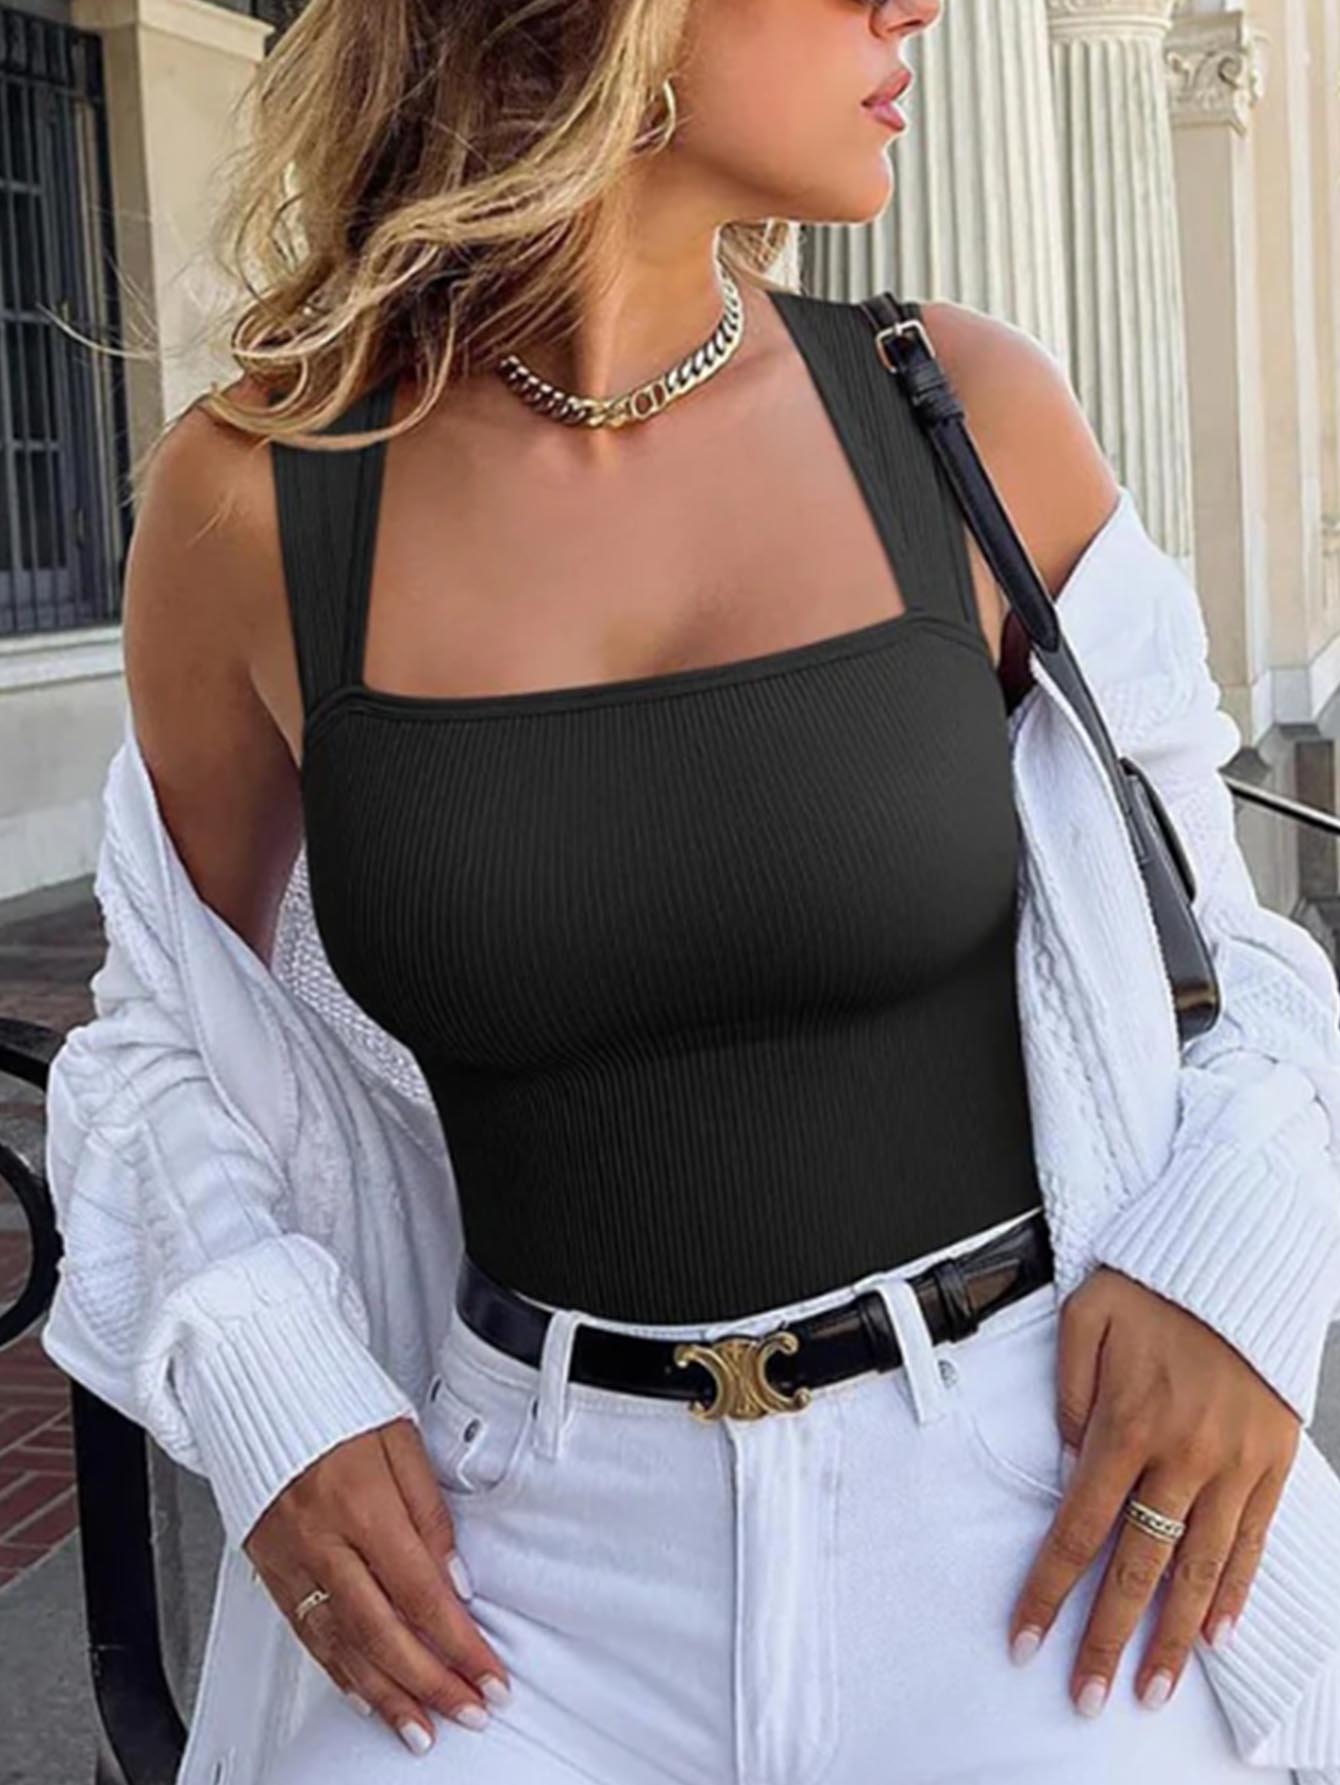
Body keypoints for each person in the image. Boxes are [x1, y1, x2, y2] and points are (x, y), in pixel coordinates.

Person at [76, 0, 1336, 1778]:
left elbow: (1226, 942)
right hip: (503, 1583)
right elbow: (162, 1036)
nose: (913, 6)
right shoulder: (261, 507)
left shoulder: (957, 417)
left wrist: (1234, 1269)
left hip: (1030, 1523)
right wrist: (260, 1365)